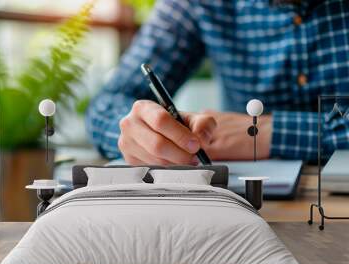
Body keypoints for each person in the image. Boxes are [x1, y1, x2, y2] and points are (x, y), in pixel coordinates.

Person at [85, 0, 349, 165]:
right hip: (249, 207)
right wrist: (142, 131)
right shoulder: (198, 4)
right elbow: (108, 103)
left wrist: (268, 134)